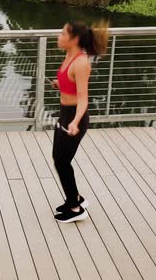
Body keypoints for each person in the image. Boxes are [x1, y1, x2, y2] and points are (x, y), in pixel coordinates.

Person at [51, 20, 109, 223]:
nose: (59, 36)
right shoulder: (69, 56)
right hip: (64, 114)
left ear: (74, 39)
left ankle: (76, 208)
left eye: (63, 33)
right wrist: (61, 84)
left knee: (62, 161)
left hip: (75, 117)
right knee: (59, 159)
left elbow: (83, 98)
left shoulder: (81, 63)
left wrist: (75, 122)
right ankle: (74, 198)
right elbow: (72, 84)